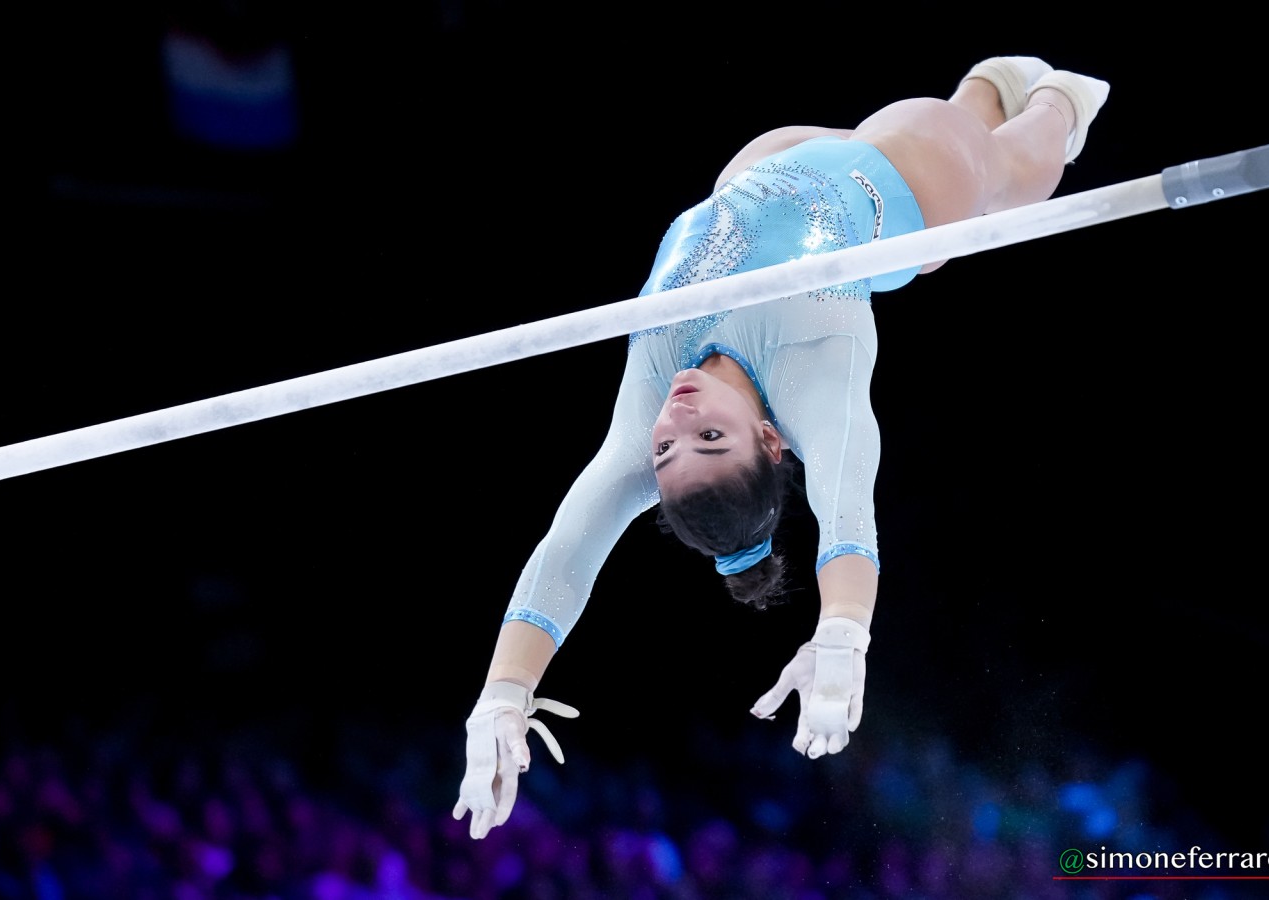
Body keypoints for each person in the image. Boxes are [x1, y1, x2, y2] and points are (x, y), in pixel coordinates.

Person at [452, 55, 1110, 840]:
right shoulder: (814, 376)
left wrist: (502, 694)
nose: (675, 421)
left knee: (958, 125)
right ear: (770, 440)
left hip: (757, 169)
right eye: (710, 438)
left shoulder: (650, 411)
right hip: (904, 186)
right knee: (1000, 168)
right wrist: (843, 632)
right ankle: (1060, 104)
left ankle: (992, 92)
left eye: (666, 452)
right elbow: (846, 507)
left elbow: (567, 552)